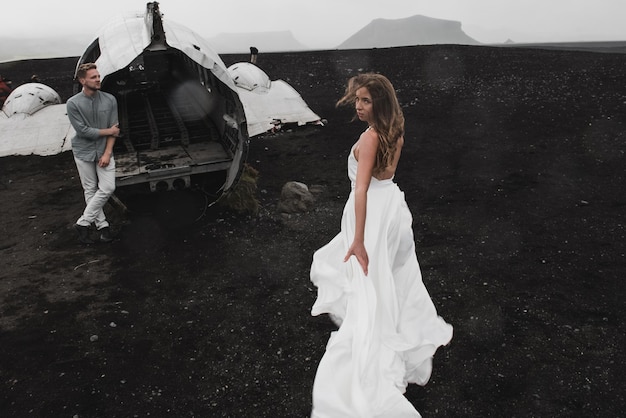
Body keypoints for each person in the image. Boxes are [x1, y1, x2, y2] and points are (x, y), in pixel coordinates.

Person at [310, 73, 453, 417]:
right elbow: (385, 178)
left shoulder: (372, 136)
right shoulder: (395, 131)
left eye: (366, 101)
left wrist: (358, 239)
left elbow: (361, 189)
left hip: (373, 214)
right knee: (392, 278)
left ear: (380, 103)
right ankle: (394, 331)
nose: (358, 106)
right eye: (357, 99)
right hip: (393, 208)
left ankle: (375, 349)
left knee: (369, 283)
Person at [66, 63, 120, 244]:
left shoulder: (110, 99)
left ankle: (83, 223)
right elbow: (83, 131)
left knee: (107, 187)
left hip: (104, 150)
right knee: (90, 189)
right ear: (83, 80)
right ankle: (103, 227)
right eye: (93, 77)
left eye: (98, 76)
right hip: (83, 151)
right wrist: (108, 132)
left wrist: (107, 153)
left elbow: (115, 128)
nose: (98, 80)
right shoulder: (73, 103)